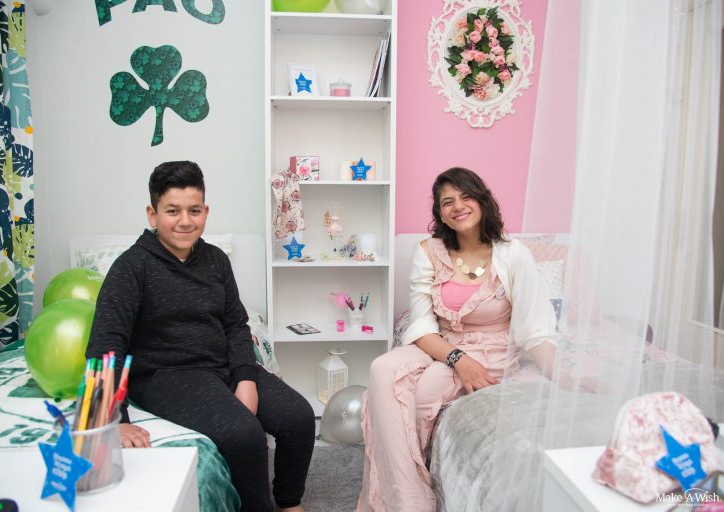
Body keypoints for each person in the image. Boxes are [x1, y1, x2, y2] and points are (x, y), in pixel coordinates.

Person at [86, 161, 315, 512]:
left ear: (206, 212)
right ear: (152, 214)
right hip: (166, 375)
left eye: (194, 210)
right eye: (172, 211)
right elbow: (106, 344)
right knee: (245, 434)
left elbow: (236, 325)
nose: (185, 221)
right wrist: (113, 418)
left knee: (299, 417)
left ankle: (288, 502)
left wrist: (246, 378)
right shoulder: (131, 267)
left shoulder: (216, 260)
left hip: (220, 366)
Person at [356, 167, 560, 511]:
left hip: (491, 348)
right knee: (381, 369)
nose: (458, 206)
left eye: (466, 197)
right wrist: (459, 360)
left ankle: (404, 498)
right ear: (440, 213)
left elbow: (533, 329)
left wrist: (563, 375)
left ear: (482, 201)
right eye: (447, 201)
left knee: (418, 395)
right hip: (440, 343)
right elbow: (421, 325)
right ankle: (408, 500)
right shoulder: (429, 251)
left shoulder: (513, 253)